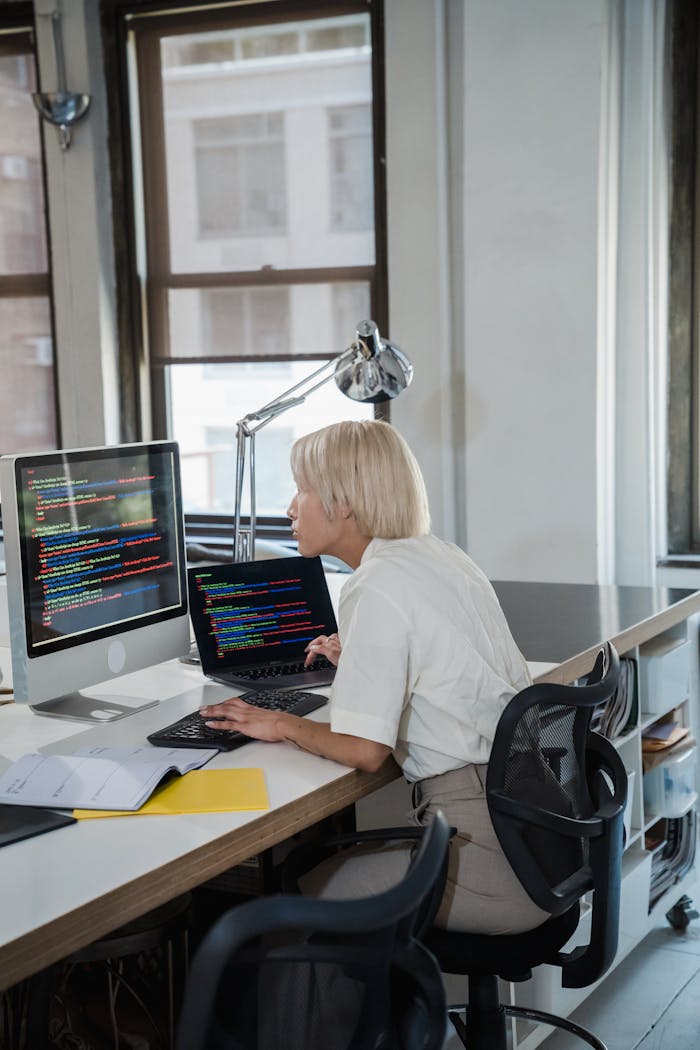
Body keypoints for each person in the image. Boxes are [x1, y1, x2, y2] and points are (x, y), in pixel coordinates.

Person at [199, 419, 548, 935]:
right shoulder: (440, 555)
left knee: (300, 893)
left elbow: (364, 751)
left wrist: (279, 724)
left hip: (488, 856)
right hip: (537, 837)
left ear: (342, 503)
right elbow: (453, 663)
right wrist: (365, 659)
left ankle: (365, 1018)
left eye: (302, 490)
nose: (291, 508)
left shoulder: (376, 582)